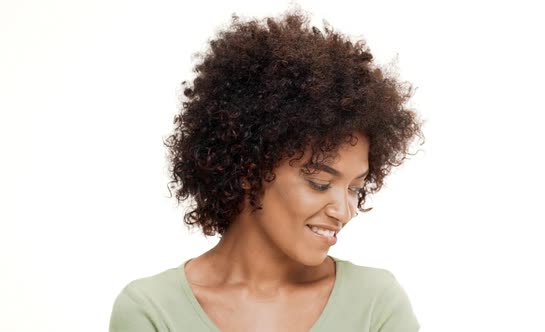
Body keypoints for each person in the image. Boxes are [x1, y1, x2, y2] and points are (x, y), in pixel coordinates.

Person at [109, 10, 422, 332]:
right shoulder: (151, 309)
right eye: (320, 182)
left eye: (355, 188)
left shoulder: (375, 302)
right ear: (249, 168)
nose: (344, 211)